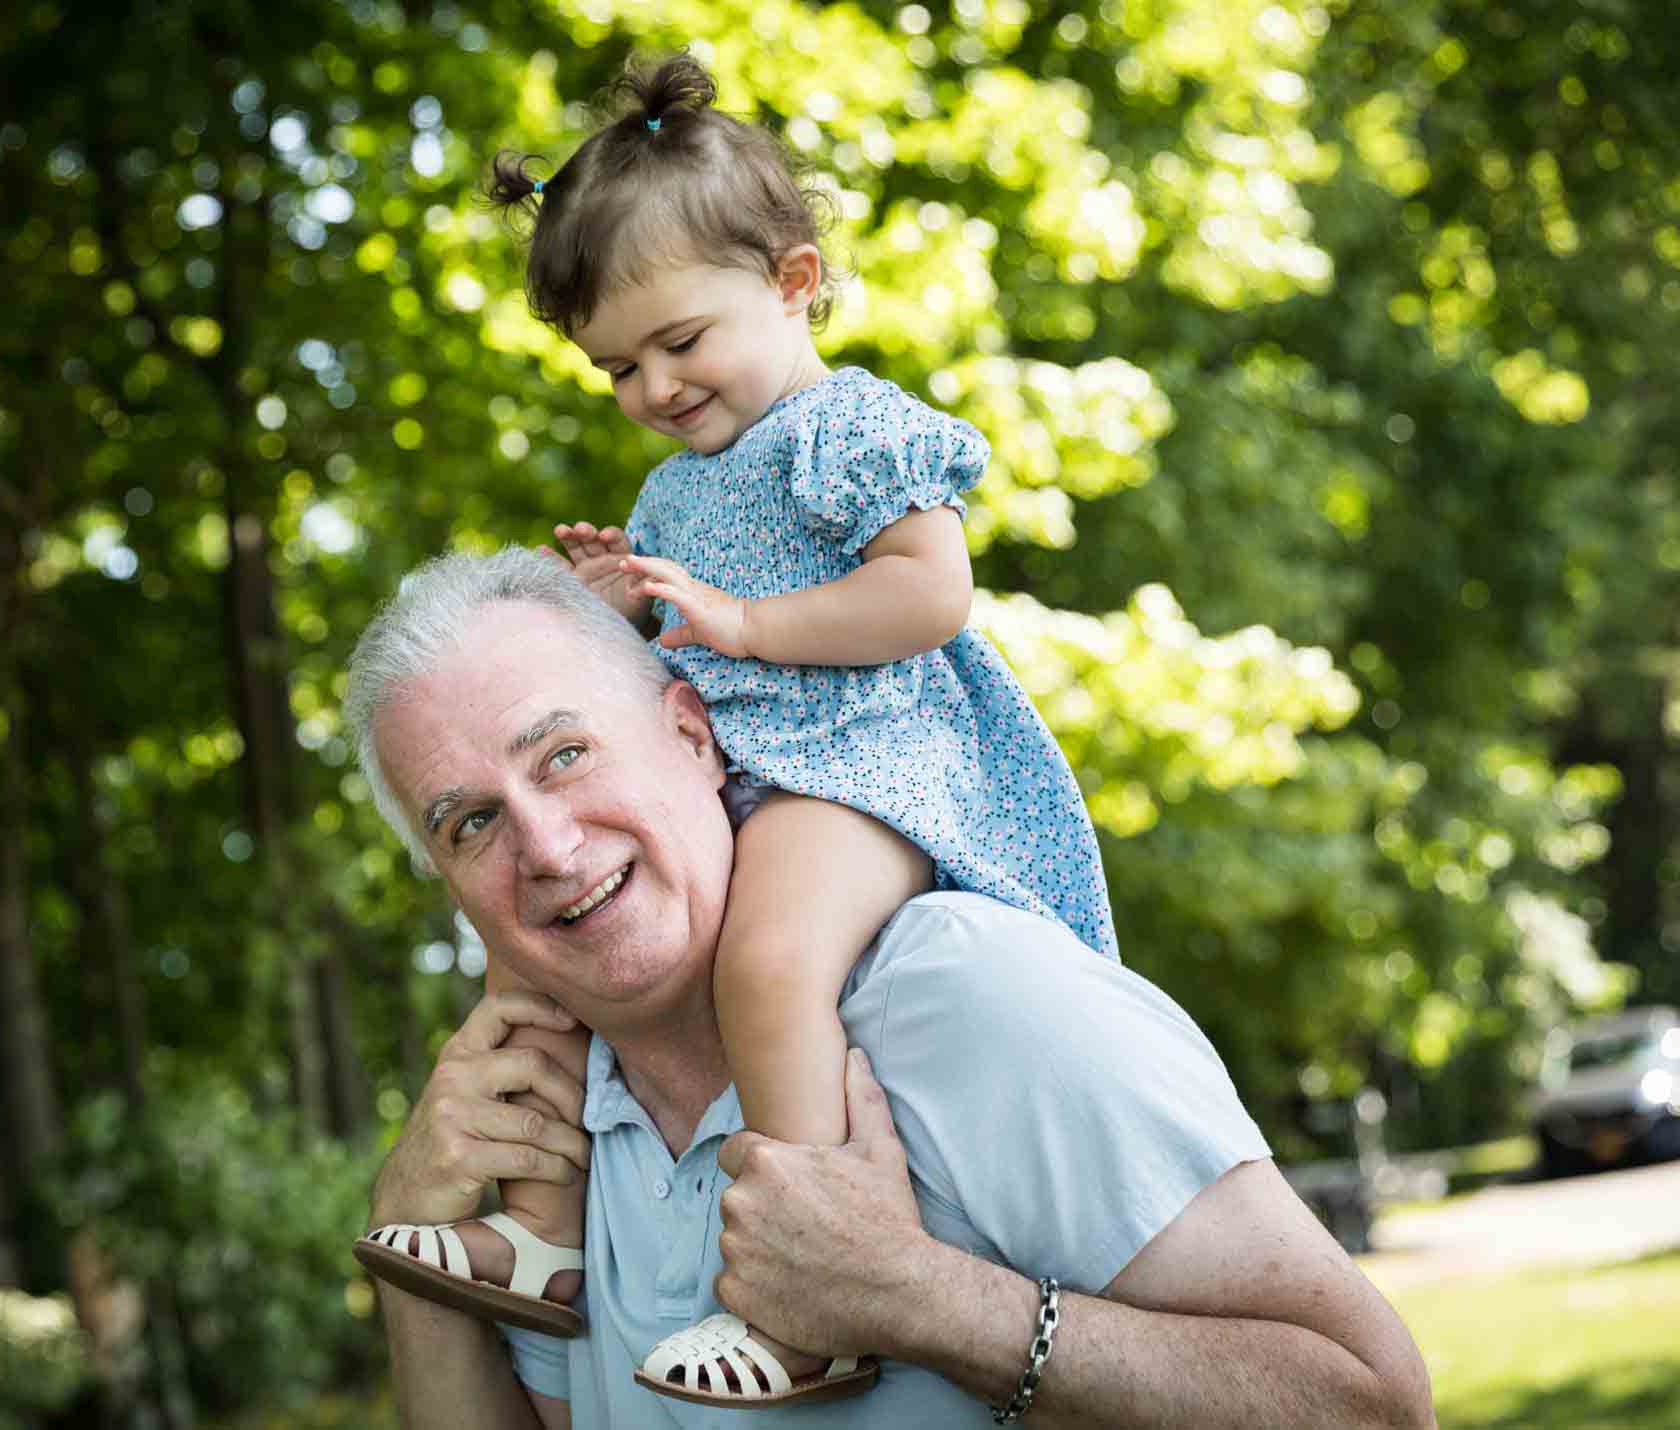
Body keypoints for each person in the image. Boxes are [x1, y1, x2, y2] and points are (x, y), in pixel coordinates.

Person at [357, 52, 1122, 1404]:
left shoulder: (849, 428)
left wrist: (750, 626)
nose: (654, 387)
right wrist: (621, 607)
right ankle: (536, 1237)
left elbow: (929, 594)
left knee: (769, 964)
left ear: (793, 280)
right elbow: (666, 664)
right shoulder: (677, 488)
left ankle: (803, 1291)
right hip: (766, 759)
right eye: (616, 370)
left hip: (871, 756)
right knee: (524, 978)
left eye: (680, 343)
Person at [343, 546, 1435, 1426]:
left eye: (565, 755)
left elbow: (1372, 1400)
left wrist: (919, 1298)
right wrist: (407, 1237)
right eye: (470, 820)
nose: (543, 842)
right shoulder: (549, 1131)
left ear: (690, 733)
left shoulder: (966, 992)